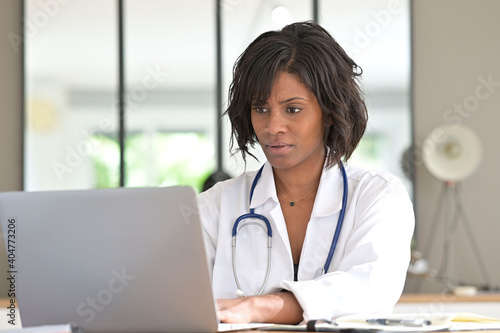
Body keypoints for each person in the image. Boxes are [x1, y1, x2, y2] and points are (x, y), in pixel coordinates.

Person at [197, 21, 414, 325]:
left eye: (293, 109)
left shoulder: (378, 197)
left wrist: (258, 307)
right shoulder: (214, 206)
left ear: (329, 113)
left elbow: (370, 290)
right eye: (260, 109)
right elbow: (173, 294)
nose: (273, 127)